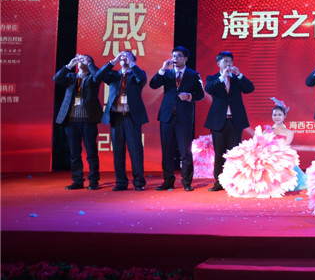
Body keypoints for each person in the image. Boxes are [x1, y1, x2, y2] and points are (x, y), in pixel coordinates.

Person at [218, 98, 303, 198]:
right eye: (275, 115)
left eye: (279, 115)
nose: (277, 117)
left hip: (281, 157)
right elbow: (261, 145)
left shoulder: (289, 132)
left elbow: (286, 147)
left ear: (285, 116)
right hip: (267, 156)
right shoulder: (267, 130)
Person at [149, 46, 204, 191]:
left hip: (184, 118)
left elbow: (200, 94)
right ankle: (168, 180)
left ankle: (187, 182)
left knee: (185, 151)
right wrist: (162, 69)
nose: (175, 58)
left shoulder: (193, 75)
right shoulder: (166, 73)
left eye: (178, 56)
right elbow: (153, 84)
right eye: (173, 55)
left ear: (185, 58)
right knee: (167, 151)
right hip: (167, 117)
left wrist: (189, 96)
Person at [97, 50, 148, 191]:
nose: (124, 58)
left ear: (134, 60)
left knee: (135, 151)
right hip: (116, 116)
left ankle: (139, 182)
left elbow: (141, 78)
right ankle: (121, 182)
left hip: (131, 117)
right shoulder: (114, 75)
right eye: (122, 56)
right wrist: (113, 61)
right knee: (118, 151)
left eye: (128, 56)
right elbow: (98, 75)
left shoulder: (138, 74)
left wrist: (131, 64)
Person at [204, 51, 255, 192]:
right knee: (219, 152)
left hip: (235, 121)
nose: (228, 64)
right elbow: (209, 89)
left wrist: (239, 75)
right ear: (218, 63)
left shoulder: (237, 79)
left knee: (235, 153)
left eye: (230, 61)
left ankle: (235, 181)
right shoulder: (213, 78)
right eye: (225, 61)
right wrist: (222, 77)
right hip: (218, 122)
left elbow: (250, 88)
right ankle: (219, 182)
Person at [54, 54, 103, 190]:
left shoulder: (92, 78)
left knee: (91, 151)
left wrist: (89, 63)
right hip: (71, 120)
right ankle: (77, 180)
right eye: (80, 60)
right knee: (74, 152)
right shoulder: (71, 77)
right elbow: (56, 78)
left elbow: (99, 76)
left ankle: (93, 180)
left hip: (88, 119)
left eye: (85, 60)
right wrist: (69, 65)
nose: (81, 61)